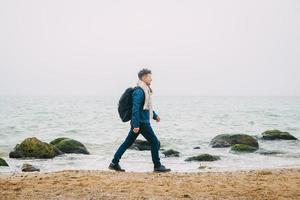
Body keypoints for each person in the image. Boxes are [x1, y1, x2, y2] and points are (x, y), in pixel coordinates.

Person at [108, 68, 171, 173]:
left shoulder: (145, 90)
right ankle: (157, 166)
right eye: (150, 77)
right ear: (144, 77)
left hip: (141, 121)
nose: (151, 79)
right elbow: (135, 108)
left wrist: (155, 116)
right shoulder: (139, 91)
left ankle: (114, 163)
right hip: (141, 123)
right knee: (155, 142)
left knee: (127, 143)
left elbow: (145, 107)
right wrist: (136, 124)